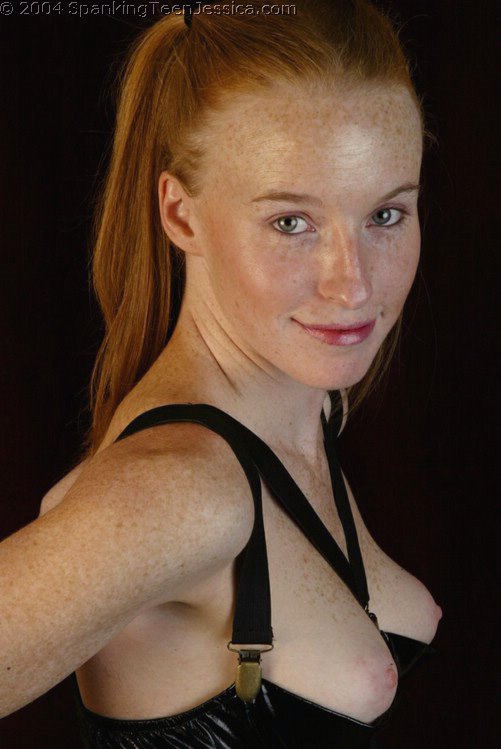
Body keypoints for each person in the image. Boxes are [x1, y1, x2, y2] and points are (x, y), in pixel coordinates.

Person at [0, 1, 443, 746]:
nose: (354, 285)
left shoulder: (310, 408)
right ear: (181, 215)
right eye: (291, 223)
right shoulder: (184, 492)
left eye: (385, 216)